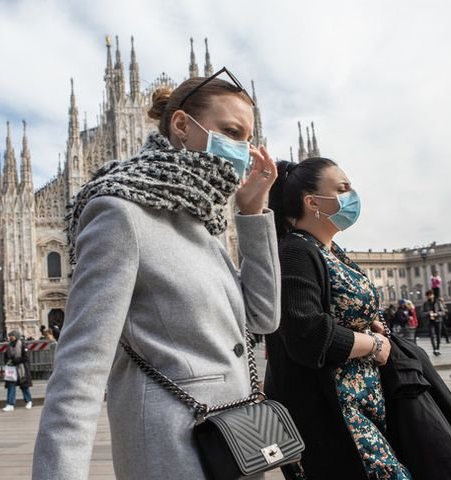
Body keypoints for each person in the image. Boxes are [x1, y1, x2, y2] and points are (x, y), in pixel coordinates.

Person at [32, 67, 280, 480]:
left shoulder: (199, 217)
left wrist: (252, 214)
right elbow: (80, 372)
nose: (245, 150)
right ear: (182, 125)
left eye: (249, 138)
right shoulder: (120, 213)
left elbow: (262, 318)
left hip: (234, 442)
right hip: (172, 451)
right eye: (233, 132)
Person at [265, 157, 411, 479]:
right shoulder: (295, 251)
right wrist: (373, 344)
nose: (352, 195)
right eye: (343, 188)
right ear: (312, 202)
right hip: (330, 411)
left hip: (364, 403)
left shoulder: (332, 251)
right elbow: (307, 333)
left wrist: (371, 324)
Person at [2, 330, 33, 412]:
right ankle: (10, 404)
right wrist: (7, 362)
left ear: (16, 336)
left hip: (21, 369)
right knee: (11, 386)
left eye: (12, 335)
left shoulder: (22, 345)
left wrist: (15, 361)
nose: (11, 337)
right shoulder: (9, 346)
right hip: (12, 369)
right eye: (10, 336)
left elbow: (25, 357)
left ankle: (29, 401)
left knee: (24, 386)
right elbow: (5, 356)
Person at [421, 289, 447, 356]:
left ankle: (437, 348)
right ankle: (434, 349)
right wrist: (428, 313)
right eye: (428, 295)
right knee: (432, 336)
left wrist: (437, 314)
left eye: (430, 295)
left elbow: (443, 312)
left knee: (438, 335)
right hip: (430, 321)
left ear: (433, 295)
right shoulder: (425, 304)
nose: (429, 296)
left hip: (438, 320)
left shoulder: (438, 302)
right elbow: (421, 313)